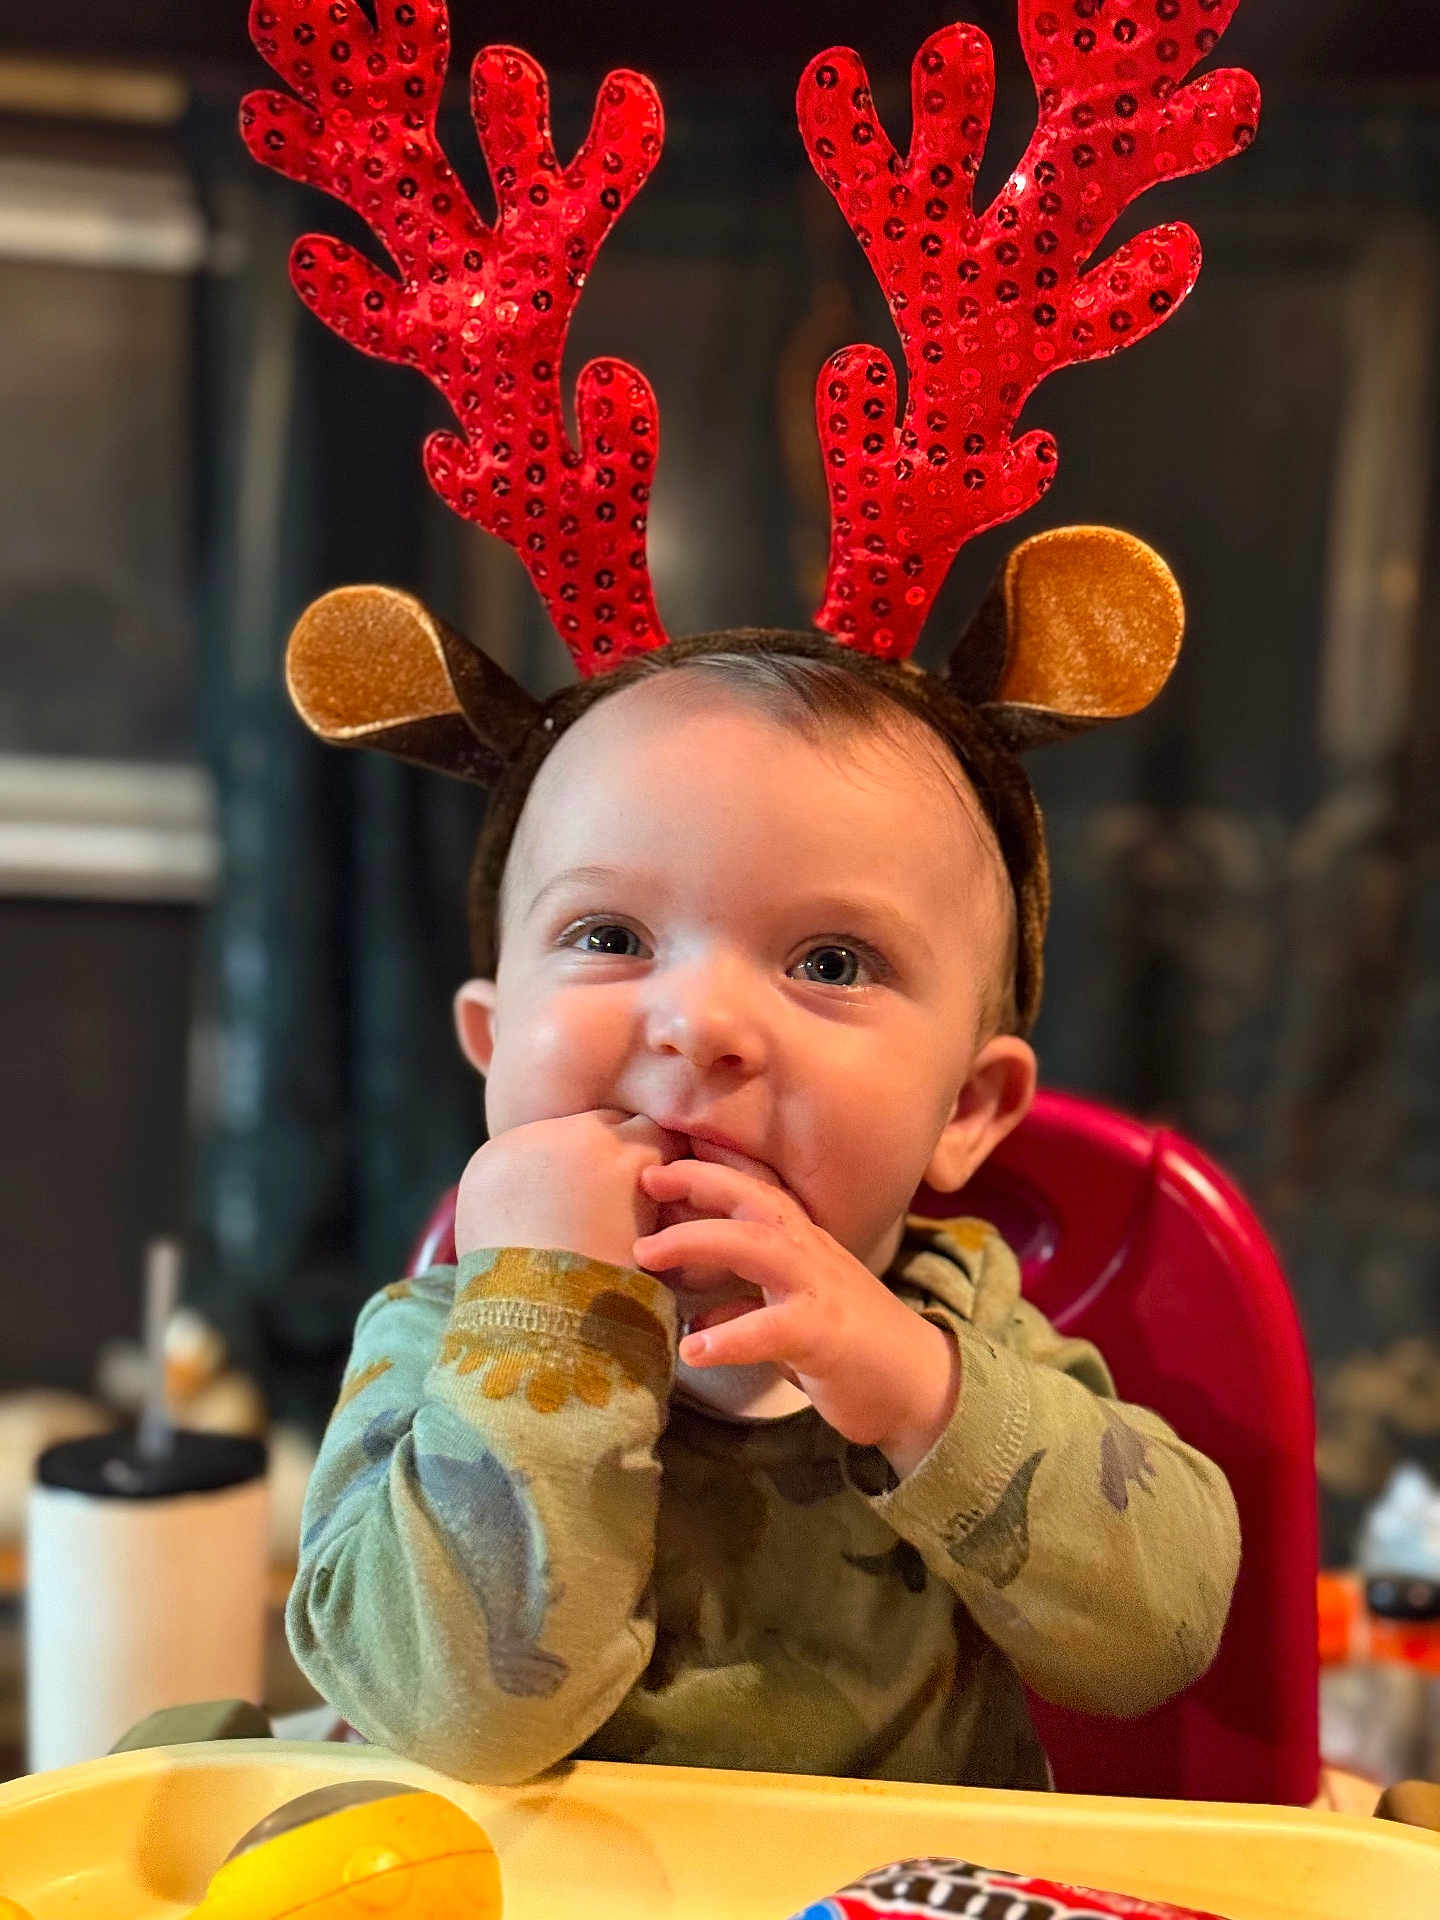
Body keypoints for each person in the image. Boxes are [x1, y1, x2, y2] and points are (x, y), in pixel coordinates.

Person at [284, 635, 1240, 1788]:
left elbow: (1161, 1636)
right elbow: (456, 1722)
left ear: (964, 1110)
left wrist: (917, 1393)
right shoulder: (440, 1345)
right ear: (493, 1045)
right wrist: (550, 1328)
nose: (700, 1024)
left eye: (831, 962)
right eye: (610, 938)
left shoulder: (957, 1326)